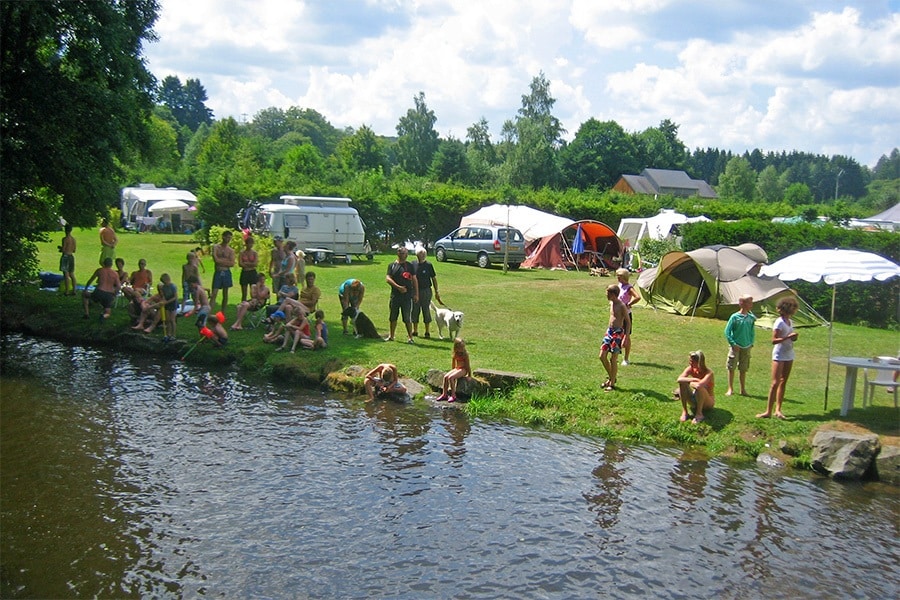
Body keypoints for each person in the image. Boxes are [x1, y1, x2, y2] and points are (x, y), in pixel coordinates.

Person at [757, 297, 799, 420]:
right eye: (793, 307)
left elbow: (791, 338)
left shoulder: (791, 322)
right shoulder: (779, 322)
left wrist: (794, 337)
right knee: (775, 383)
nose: (794, 310)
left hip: (789, 354)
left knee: (783, 382)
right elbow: (774, 340)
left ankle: (778, 409)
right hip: (779, 354)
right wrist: (787, 337)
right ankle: (768, 411)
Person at [724, 295, 756, 396]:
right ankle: (730, 388)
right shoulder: (735, 317)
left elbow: (752, 332)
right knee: (731, 367)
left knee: (743, 368)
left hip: (746, 346)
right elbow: (727, 331)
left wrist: (751, 343)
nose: (751, 305)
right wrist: (733, 344)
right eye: (749, 303)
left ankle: (743, 389)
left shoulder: (751, 318)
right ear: (742, 303)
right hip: (735, 347)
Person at [385, 246, 418, 343]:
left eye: (404, 253)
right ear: (398, 254)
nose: (403, 255)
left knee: (407, 318)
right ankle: (391, 336)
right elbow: (388, 278)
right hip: (395, 295)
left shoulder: (410, 266)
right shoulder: (392, 265)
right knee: (393, 317)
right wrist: (398, 287)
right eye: (401, 253)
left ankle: (410, 337)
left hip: (407, 297)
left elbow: (414, 279)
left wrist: (416, 294)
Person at [599, 284, 627, 392]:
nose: (606, 295)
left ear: (613, 294)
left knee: (613, 359)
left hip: (618, 333)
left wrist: (626, 337)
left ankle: (612, 382)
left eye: (608, 293)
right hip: (609, 331)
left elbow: (627, 322)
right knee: (602, 356)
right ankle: (612, 378)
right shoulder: (611, 303)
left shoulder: (621, 306)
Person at [676, 350, 715, 424]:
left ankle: (699, 414)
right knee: (682, 383)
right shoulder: (690, 368)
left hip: (707, 402)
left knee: (699, 388)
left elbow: (699, 385)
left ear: (699, 362)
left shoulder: (709, 373)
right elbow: (679, 379)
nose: (690, 363)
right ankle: (685, 411)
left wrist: (690, 382)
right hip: (695, 398)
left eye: (692, 361)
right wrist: (694, 379)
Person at [412, 248, 441, 338]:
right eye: (420, 254)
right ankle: (415, 330)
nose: (422, 255)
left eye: (424, 254)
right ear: (417, 255)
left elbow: (434, 278)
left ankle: (427, 331)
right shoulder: (413, 264)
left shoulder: (428, 265)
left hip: (426, 290)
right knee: (415, 310)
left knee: (426, 310)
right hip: (415, 291)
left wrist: (436, 291)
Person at [616, 268, 640, 366]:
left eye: (619, 276)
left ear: (624, 277)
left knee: (626, 335)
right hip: (618, 314)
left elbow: (638, 297)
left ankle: (626, 358)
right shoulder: (619, 285)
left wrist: (629, 304)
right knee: (617, 334)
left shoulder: (629, 288)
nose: (618, 278)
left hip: (626, 314)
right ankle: (615, 355)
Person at [436, 338, 472, 403]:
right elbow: (453, 364)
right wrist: (452, 371)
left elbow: (467, 365)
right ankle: (444, 394)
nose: (462, 349)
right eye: (460, 347)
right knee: (446, 377)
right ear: (456, 347)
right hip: (457, 368)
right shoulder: (455, 353)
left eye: (463, 347)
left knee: (451, 378)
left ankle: (453, 395)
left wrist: (469, 375)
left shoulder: (465, 354)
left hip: (463, 369)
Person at [211, 230, 235, 312]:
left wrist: (221, 261)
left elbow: (232, 263)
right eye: (227, 237)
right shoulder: (216, 247)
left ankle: (223, 312)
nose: (228, 239)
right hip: (218, 272)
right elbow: (216, 260)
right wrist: (225, 261)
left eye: (230, 238)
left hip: (226, 272)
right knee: (214, 293)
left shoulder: (231, 250)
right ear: (223, 237)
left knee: (225, 293)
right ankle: (209, 312)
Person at [238, 235, 259, 303]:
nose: (250, 245)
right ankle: (243, 305)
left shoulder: (254, 253)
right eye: (249, 243)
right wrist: (250, 264)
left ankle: (253, 307)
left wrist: (246, 263)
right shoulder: (242, 252)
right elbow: (240, 263)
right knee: (244, 292)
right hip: (245, 272)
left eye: (251, 243)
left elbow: (255, 264)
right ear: (246, 244)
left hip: (252, 272)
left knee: (253, 292)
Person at [59, 224, 77, 295]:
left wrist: (60, 248)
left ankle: (67, 291)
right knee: (71, 274)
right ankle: (74, 290)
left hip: (65, 257)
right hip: (71, 256)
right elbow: (74, 250)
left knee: (66, 274)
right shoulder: (73, 239)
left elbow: (64, 249)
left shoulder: (65, 239)